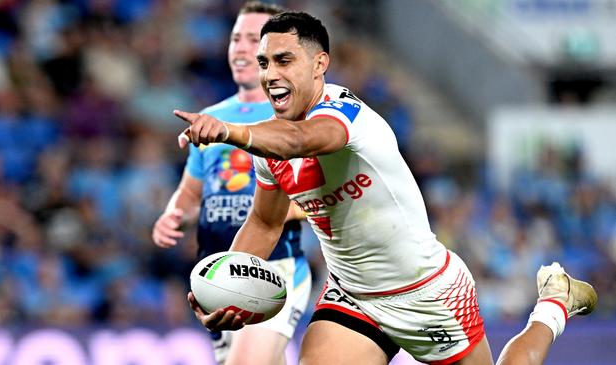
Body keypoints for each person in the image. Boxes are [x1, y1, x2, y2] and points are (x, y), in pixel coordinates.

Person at [174, 11, 598, 365]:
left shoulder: (345, 116)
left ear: (319, 64)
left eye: (284, 60)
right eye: (264, 63)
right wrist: (228, 285)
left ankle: (553, 303)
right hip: (353, 295)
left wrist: (229, 130)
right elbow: (265, 223)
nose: (271, 74)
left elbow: (299, 141)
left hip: (427, 290)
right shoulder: (265, 143)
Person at [152, 3, 311, 365]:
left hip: (273, 269)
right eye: (235, 38)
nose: (240, 48)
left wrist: (274, 213)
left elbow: (323, 198)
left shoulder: (297, 120)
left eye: (252, 39)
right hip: (215, 276)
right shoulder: (212, 118)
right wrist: (174, 214)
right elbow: (192, 194)